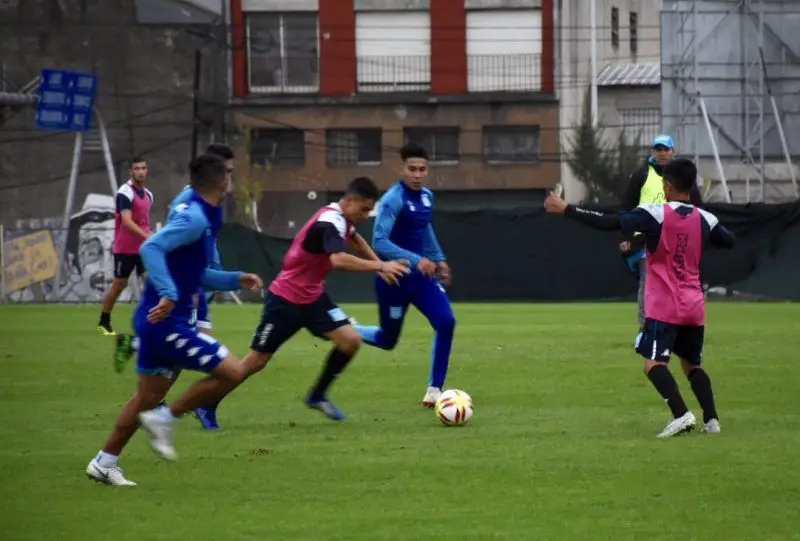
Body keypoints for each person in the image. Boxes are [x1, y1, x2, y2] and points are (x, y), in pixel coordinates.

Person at [132, 176, 409, 452]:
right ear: (349, 201)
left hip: (313, 298)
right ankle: (202, 406)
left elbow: (355, 239)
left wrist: (378, 262)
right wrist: (380, 268)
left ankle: (317, 395)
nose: (364, 215)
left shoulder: (343, 220)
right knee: (251, 364)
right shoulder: (329, 221)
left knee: (350, 341)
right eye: (362, 209)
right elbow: (337, 259)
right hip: (285, 300)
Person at [86, 153, 263, 486]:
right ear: (222, 181)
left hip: (157, 322)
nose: (231, 178)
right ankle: (166, 419)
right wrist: (168, 293)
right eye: (228, 173)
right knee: (233, 371)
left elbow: (194, 272)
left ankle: (104, 462)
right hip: (167, 323)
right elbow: (151, 248)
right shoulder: (195, 216)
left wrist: (235, 278)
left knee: (146, 398)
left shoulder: (205, 212)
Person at [544, 157, 735, 438]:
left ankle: (681, 415)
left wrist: (566, 209)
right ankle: (712, 420)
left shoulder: (655, 214)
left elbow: (610, 222)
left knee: (653, 364)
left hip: (665, 306)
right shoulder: (705, 219)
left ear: (667, 186)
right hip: (694, 306)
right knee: (691, 364)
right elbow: (728, 240)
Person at [114, 143, 235, 430]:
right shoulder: (189, 201)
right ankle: (179, 409)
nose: (230, 177)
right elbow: (164, 246)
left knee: (194, 347)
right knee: (196, 347)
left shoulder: (210, 203)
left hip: (201, 280)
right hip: (190, 287)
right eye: (227, 171)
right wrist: (177, 288)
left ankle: (136, 351)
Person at [352, 143, 455, 408]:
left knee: (446, 322)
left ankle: (435, 390)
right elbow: (379, 241)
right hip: (394, 280)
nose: (417, 174)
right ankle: (351, 329)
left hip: (422, 280)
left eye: (422, 169)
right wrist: (416, 259)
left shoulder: (427, 197)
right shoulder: (392, 199)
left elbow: (425, 229)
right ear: (401, 169)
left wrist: (439, 258)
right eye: (412, 169)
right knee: (388, 340)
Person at [619, 135, 703, 329]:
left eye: (666, 150)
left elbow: (698, 207)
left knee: (679, 284)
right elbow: (626, 207)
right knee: (647, 283)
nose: (662, 154)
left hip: (677, 240)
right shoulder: (641, 175)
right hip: (646, 240)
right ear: (652, 153)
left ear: (673, 152)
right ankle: (645, 328)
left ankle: (677, 325)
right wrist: (625, 236)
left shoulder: (683, 176)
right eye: (658, 150)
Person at [98, 157, 154, 335]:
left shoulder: (148, 195)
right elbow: (127, 222)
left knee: (151, 283)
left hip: (143, 250)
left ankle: (150, 324)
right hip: (125, 249)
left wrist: (154, 237)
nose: (141, 172)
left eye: (143, 168)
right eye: (137, 168)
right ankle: (103, 321)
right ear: (131, 171)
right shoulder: (125, 192)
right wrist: (147, 236)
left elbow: (145, 222)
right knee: (118, 286)